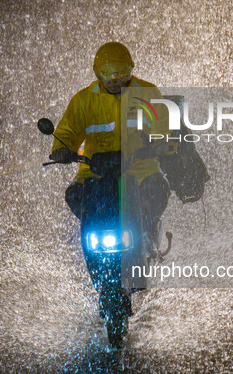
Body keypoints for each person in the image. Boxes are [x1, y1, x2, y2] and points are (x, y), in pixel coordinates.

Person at [50, 41, 170, 248]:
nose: (114, 81)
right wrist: (61, 149)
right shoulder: (84, 100)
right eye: (107, 74)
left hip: (140, 168)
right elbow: (67, 130)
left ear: (131, 70)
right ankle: (92, 232)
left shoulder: (148, 93)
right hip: (94, 171)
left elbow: (163, 126)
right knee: (74, 194)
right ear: (97, 74)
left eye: (121, 73)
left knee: (158, 187)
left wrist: (159, 144)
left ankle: (148, 232)